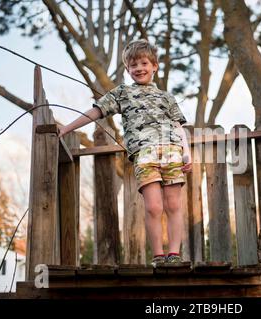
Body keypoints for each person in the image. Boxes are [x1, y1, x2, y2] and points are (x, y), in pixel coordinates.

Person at [58, 39, 192, 267]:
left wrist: (186, 153)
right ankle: (159, 256)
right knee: (154, 207)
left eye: (144, 63)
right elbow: (96, 112)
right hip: (144, 154)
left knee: (173, 205)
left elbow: (179, 126)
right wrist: (66, 128)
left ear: (154, 66)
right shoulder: (122, 93)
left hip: (172, 152)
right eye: (133, 65)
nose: (139, 68)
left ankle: (174, 255)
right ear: (128, 70)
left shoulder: (166, 97)